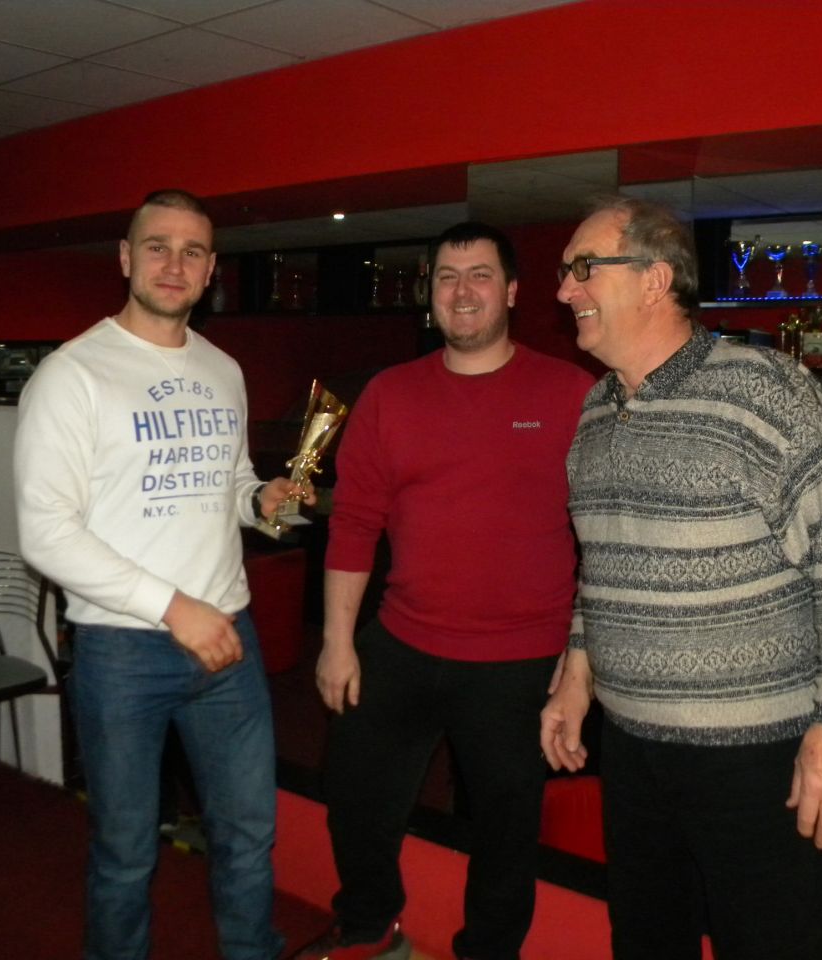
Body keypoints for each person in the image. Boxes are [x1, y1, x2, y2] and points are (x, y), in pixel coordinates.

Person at [541, 194, 822, 960]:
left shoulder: (761, 387)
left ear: (653, 279)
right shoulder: (598, 409)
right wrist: (577, 675)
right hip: (634, 751)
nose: (564, 289)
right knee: (646, 942)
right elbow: (604, 566)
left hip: (758, 756)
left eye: (583, 267)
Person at [14, 188, 309, 960]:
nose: (174, 264)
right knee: (126, 850)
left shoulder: (223, 369)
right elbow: (45, 532)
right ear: (126, 258)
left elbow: (230, 482)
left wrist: (259, 500)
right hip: (123, 650)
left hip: (228, 642)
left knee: (248, 833)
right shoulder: (72, 375)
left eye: (192, 251)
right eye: (157, 247)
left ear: (211, 270)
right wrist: (175, 608)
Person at [293, 222, 594, 960]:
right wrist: (337, 642)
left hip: (521, 659)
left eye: (480, 275)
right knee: (354, 795)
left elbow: (605, 539)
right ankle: (369, 925)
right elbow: (355, 523)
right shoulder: (390, 395)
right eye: (447, 277)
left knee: (504, 828)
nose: (462, 292)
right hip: (403, 640)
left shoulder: (569, 393)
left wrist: (579, 666)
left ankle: (488, 951)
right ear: (428, 293)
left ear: (512, 291)